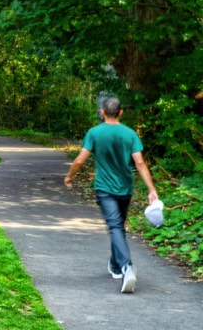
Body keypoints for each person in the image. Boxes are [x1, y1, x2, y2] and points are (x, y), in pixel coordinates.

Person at [64, 97, 159, 294]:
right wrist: (152, 189)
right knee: (118, 226)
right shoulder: (130, 134)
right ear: (121, 112)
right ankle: (116, 265)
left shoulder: (95, 133)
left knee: (115, 226)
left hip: (105, 188)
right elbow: (140, 163)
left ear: (102, 112)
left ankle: (126, 266)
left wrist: (69, 176)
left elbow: (80, 160)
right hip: (126, 188)